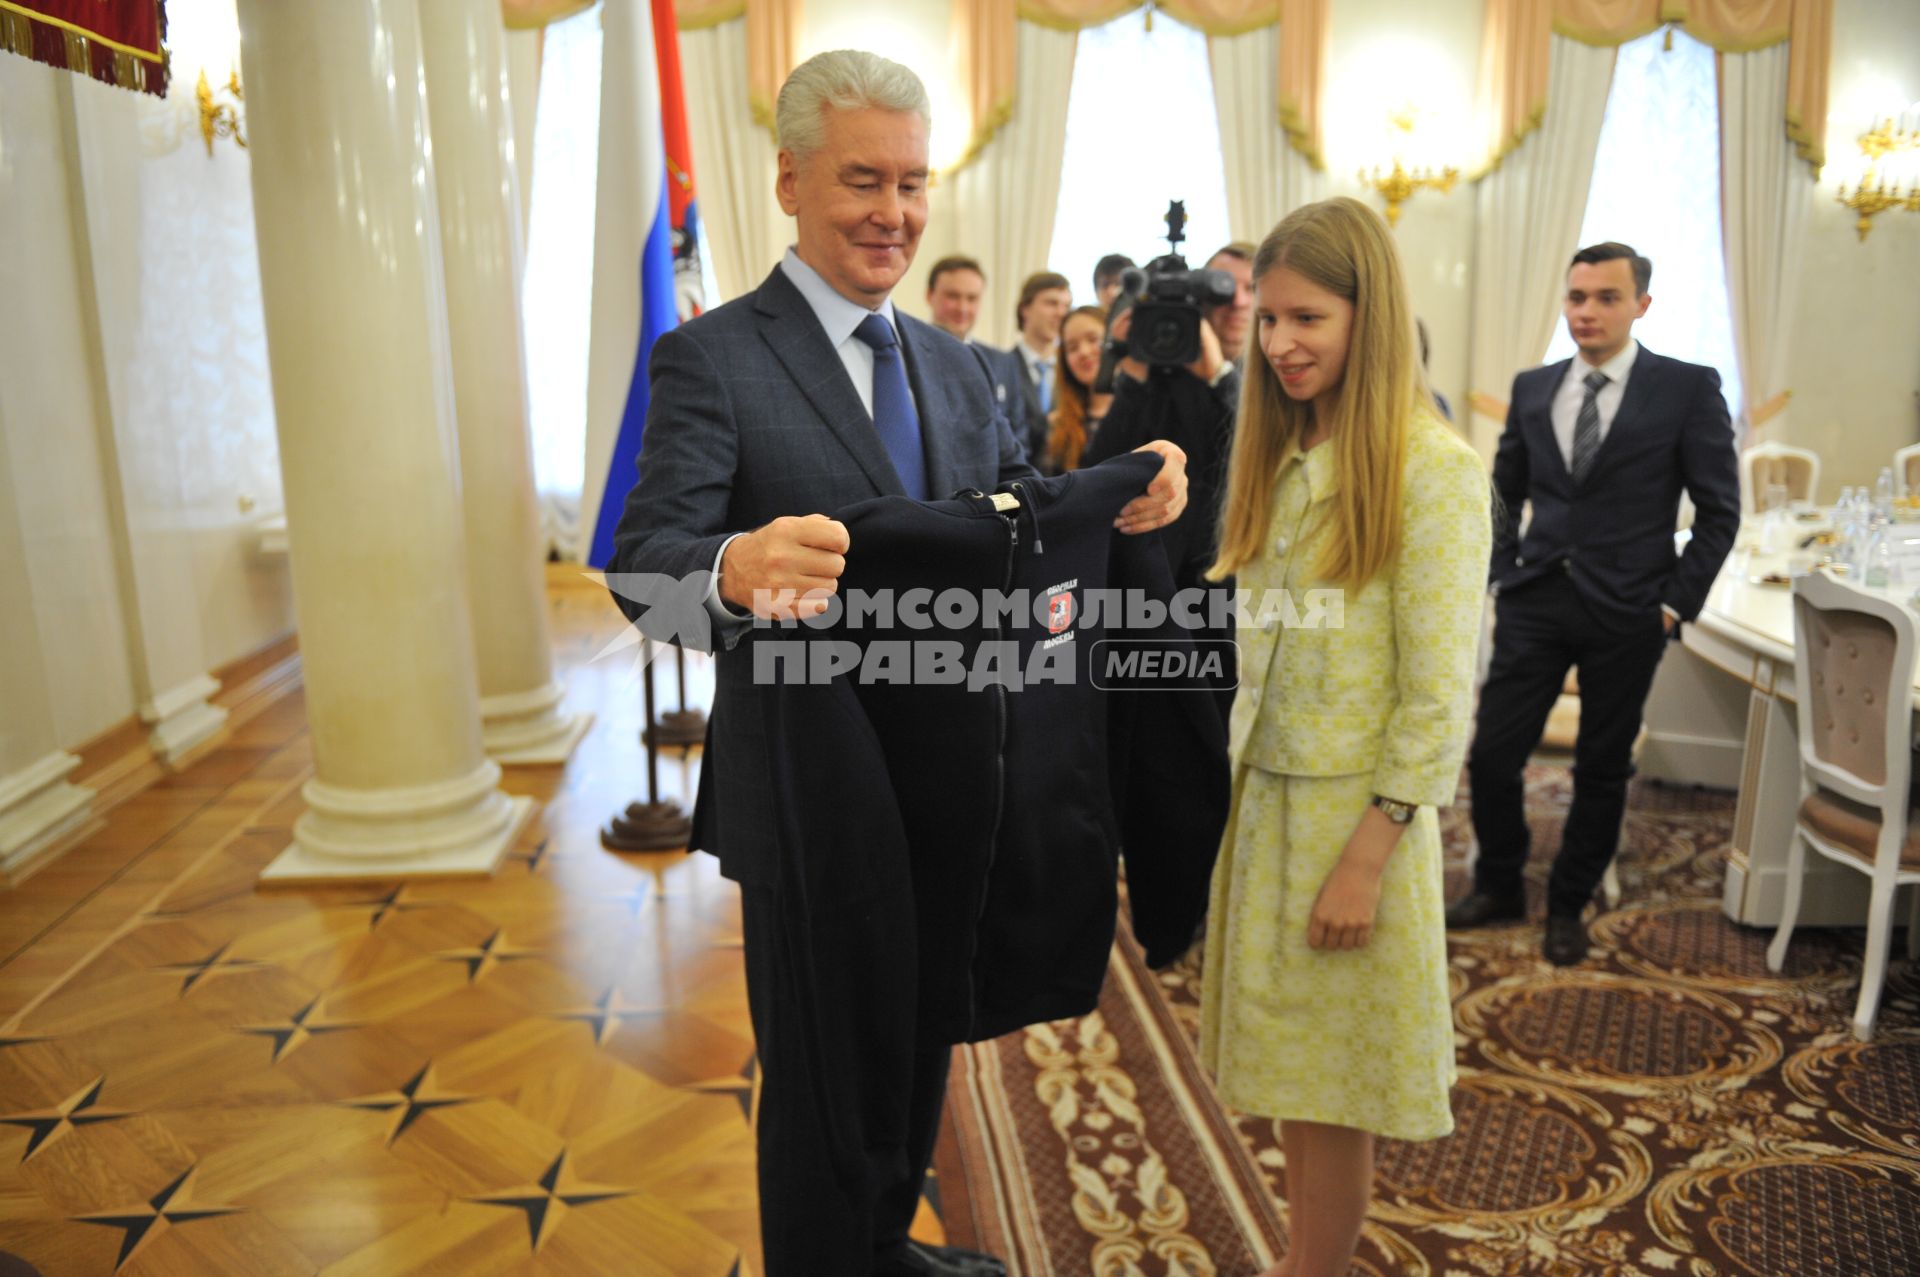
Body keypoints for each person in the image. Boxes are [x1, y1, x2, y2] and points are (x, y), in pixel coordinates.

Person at [603, 50, 1189, 1277]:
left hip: (958, 777)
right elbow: (644, 569)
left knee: (922, 1030)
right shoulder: (712, 358)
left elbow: (1016, 513)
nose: (895, 213)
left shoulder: (961, 365)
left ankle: (881, 1242)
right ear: (789, 180)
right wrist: (733, 567)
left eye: (914, 181)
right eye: (864, 179)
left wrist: (1132, 489)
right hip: (810, 797)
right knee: (824, 1070)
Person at [1199, 197, 1490, 1277]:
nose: (1279, 344)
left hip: (1352, 825)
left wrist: (1369, 856)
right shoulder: (1284, 450)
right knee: (1290, 1078)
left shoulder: (1433, 471)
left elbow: (1434, 696)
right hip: (1268, 806)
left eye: (1306, 317)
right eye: (1266, 318)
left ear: (1370, 315)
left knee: (1336, 1099)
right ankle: (1299, 1257)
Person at [1448, 241, 1738, 965]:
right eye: (1577, 297)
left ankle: (1570, 901)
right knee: (1490, 754)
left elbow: (1719, 511)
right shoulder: (1535, 386)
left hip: (1630, 610)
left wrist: (1674, 605)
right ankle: (1500, 881)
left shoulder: (1686, 387)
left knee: (1602, 767)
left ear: (1641, 304)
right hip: (1535, 601)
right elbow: (1501, 492)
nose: (1587, 312)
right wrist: (1502, 572)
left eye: (1606, 297)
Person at [981, 271, 1071, 465]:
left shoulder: (1073, 371)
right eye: (1051, 303)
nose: (1061, 313)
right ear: (1025, 308)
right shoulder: (997, 367)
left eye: (1066, 305)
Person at [1043, 305, 1112, 474]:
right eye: (1072, 347)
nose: (1084, 352)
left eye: (1093, 339)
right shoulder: (1057, 424)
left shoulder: (1145, 409)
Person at [925, 253, 985, 341]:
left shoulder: (987, 354)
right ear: (929, 296)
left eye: (971, 299)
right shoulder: (906, 349)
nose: (962, 308)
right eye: (953, 296)